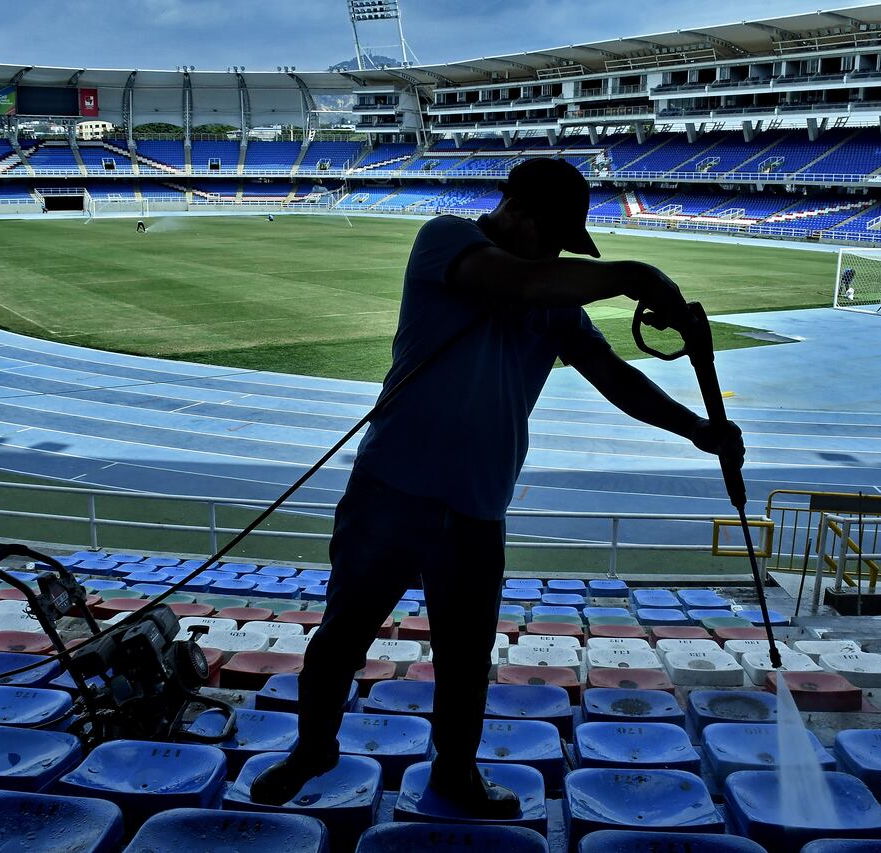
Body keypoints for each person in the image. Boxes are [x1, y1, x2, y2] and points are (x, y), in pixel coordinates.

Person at [249, 158, 744, 816]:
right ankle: (313, 748)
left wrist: (698, 431)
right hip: (389, 492)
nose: (560, 254)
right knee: (342, 636)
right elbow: (522, 280)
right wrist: (636, 276)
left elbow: (612, 374)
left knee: (464, 659)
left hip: (477, 511)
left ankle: (455, 772)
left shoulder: (556, 303)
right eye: (555, 235)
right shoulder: (446, 238)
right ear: (518, 212)